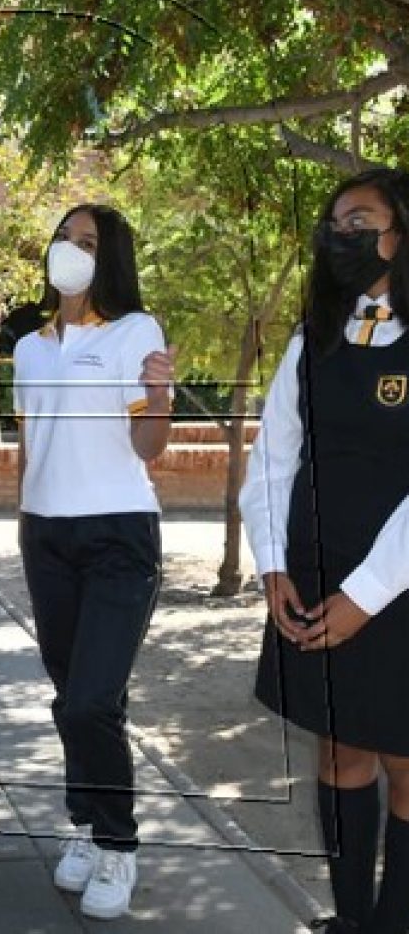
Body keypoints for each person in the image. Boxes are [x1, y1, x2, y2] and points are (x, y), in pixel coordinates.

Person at [240, 167, 409, 934]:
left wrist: (365, 594)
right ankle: (353, 921)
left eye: (360, 221)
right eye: (335, 225)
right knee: (340, 754)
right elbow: (274, 457)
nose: (343, 236)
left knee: (405, 762)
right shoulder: (313, 339)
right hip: (314, 577)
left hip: (395, 589)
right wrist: (273, 562)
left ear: (399, 235)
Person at [13, 204, 176, 921]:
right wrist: (25, 521)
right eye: (65, 237)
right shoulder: (28, 345)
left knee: (91, 701)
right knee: (71, 697)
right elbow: (31, 443)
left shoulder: (135, 331)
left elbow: (149, 447)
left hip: (118, 534)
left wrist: (161, 396)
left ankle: (117, 843)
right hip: (46, 535)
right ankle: (83, 822)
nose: (71, 250)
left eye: (88, 242)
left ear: (110, 259)